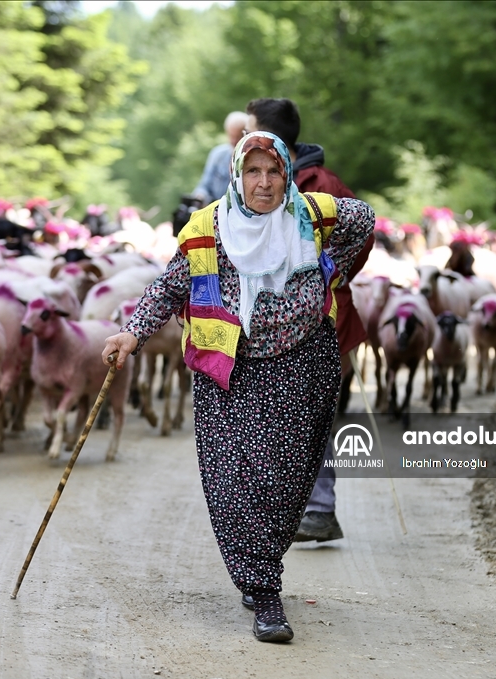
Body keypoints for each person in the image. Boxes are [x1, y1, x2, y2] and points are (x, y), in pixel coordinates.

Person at [102, 132, 374, 643]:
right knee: (231, 485)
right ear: (236, 174)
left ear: (287, 173)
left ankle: (261, 562)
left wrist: (333, 269)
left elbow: (365, 221)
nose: (264, 183)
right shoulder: (209, 227)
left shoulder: (310, 215)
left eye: (274, 171)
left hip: (304, 364)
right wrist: (132, 332)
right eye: (253, 171)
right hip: (230, 367)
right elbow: (169, 285)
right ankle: (263, 591)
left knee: (287, 482)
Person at [246, 97, 373, 544]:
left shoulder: (320, 184)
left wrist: (329, 276)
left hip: (323, 318)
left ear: (272, 137)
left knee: (314, 414)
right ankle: (290, 509)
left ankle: (319, 509)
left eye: (249, 129)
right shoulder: (266, 179)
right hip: (275, 320)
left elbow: (364, 232)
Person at [191, 111, 249, 203]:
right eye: (231, 136)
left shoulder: (252, 159)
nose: (234, 141)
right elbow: (204, 185)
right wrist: (200, 196)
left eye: (238, 137)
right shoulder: (217, 154)